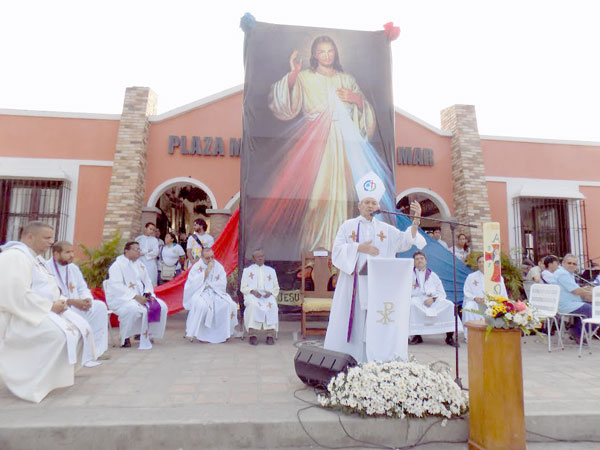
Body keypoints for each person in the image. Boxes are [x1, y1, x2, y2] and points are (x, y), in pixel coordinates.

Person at [250, 35, 395, 258]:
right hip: (316, 144)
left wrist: (356, 99)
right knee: (317, 198)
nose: (326, 56)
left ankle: (345, 251)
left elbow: (365, 117)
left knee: (345, 196)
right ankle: (315, 252)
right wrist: (293, 75)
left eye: (330, 51)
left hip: (346, 146)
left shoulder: (347, 79)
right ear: (315, 55)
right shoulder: (306, 77)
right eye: (321, 52)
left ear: (335, 53)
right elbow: (283, 104)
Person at [323, 171, 427, 363]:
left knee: (373, 322)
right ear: (359, 205)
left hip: (377, 287)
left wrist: (415, 221)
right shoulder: (348, 226)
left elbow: (405, 241)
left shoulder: (385, 229)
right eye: (367, 202)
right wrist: (359, 248)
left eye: (373, 203)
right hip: (352, 285)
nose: (370, 206)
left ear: (378, 206)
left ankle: (372, 359)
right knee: (353, 322)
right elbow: (337, 251)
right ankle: (349, 359)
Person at [0, 221, 95, 402]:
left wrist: (59, 302)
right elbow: (15, 292)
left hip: (41, 309)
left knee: (80, 328)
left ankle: (56, 377)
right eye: (46, 238)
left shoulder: (34, 258)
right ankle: (32, 382)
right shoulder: (14, 257)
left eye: (51, 237)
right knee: (57, 335)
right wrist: (50, 306)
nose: (51, 242)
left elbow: (47, 287)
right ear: (30, 237)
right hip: (20, 315)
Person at [48, 240, 110, 360]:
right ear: (56, 254)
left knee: (100, 307)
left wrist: (87, 299)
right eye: (67, 252)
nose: (72, 255)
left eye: (72, 252)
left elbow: (82, 287)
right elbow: (50, 293)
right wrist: (71, 301)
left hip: (79, 305)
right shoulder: (47, 268)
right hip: (62, 307)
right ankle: (76, 353)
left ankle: (96, 351)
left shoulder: (73, 268)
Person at [105, 241, 168, 349]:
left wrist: (148, 294)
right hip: (121, 298)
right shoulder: (117, 266)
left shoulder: (140, 264)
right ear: (126, 251)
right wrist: (135, 297)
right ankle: (125, 337)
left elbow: (147, 282)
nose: (139, 251)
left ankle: (144, 333)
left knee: (161, 306)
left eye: (139, 249)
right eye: (136, 249)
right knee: (132, 309)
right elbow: (117, 286)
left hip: (140, 296)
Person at [183, 247, 239, 343]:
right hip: (200, 293)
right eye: (207, 258)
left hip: (216, 292)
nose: (210, 260)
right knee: (203, 307)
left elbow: (222, 282)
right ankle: (202, 335)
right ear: (202, 257)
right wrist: (206, 272)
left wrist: (211, 286)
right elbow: (191, 284)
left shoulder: (218, 266)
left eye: (212, 257)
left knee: (229, 305)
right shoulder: (196, 267)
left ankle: (224, 333)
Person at [408, 251, 462, 347]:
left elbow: (441, 292)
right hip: (417, 300)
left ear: (426, 261)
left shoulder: (433, 275)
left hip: (433, 300)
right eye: (417, 259)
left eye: (421, 258)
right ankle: (417, 335)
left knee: (449, 305)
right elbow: (406, 291)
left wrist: (432, 299)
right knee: (412, 305)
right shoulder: (409, 275)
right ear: (414, 262)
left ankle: (449, 336)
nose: (419, 261)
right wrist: (419, 298)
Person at [462, 254, 508, 341]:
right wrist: (475, 298)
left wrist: (490, 300)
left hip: (491, 303)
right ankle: (470, 336)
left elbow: (502, 293)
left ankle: (491, 334)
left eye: (483, 262)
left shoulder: (496, 276)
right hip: (476, 302)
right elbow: (467, 291)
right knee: (469, 308)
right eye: (479, 262)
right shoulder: (471, 277)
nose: (481, 264)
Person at [240, 249, 280, 345]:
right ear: (253, 259)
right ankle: (252, 335)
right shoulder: (247, 271)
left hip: (267, 295)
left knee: (272, 306)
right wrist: (253, 291)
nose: (261, 258)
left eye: (262, 256)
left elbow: (276, 287)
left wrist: (270, 293)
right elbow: (243, 287)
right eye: (258, 256)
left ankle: (270, 335)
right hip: (253, 295)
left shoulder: (271, 271)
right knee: (254, 306)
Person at [552, 254, 594, 341]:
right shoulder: (563, 274)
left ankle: (577, 330)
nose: (571, 265)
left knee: (593, 305)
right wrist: (591, 292)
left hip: (571, 302)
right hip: (566, 305)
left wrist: (585, 289)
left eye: (574, 264)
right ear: (563, 263)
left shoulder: (566, 273)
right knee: (595, 310)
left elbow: (574, 289)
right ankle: (578, 333)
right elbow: (576, 291)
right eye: (569, 263)